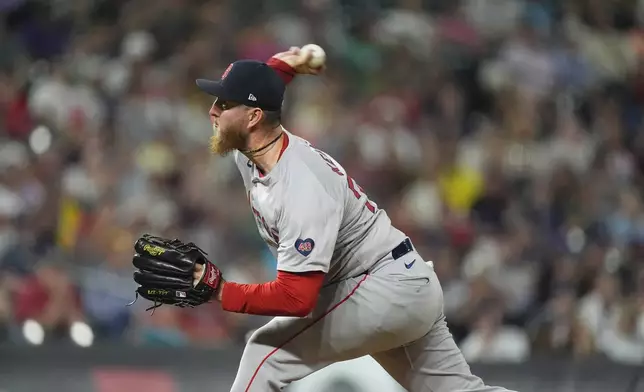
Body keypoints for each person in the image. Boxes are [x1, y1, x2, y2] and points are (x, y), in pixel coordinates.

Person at [195, 47, 513, 392]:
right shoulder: (255, 146)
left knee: (265, 353)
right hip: (402, 282)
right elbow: (264, 86)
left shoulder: (299, 187)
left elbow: (296, 298)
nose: (213, 111)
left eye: (223, 105)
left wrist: (222, 291)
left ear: (254, 117)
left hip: (380, 288)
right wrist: (286, 65)